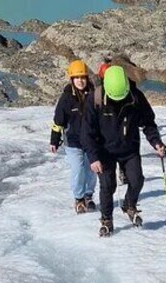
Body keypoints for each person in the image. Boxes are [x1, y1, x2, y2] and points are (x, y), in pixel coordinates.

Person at [81, 65, 166, 237]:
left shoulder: (135, 97)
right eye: (115, 97)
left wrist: (156, 142)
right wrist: (93, 157)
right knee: (108, 185)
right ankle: (106, 219)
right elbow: (87, 132)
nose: (118, 100)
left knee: (137, 181)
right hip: (104, 151)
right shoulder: (95, 99)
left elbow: (148, 122)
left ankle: (129, 204)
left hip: (129, 148)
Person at [51, 60, 97, 214]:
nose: (80, 81)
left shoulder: (94, 95)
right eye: (77, 78)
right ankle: (79, 198)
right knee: (78, 170)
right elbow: (58, 121)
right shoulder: (66, 98)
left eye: (83, 77)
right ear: (71, 79)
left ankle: (89, 196)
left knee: (91, 170)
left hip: (92, 141)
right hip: (73, 142)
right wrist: (54, 140)